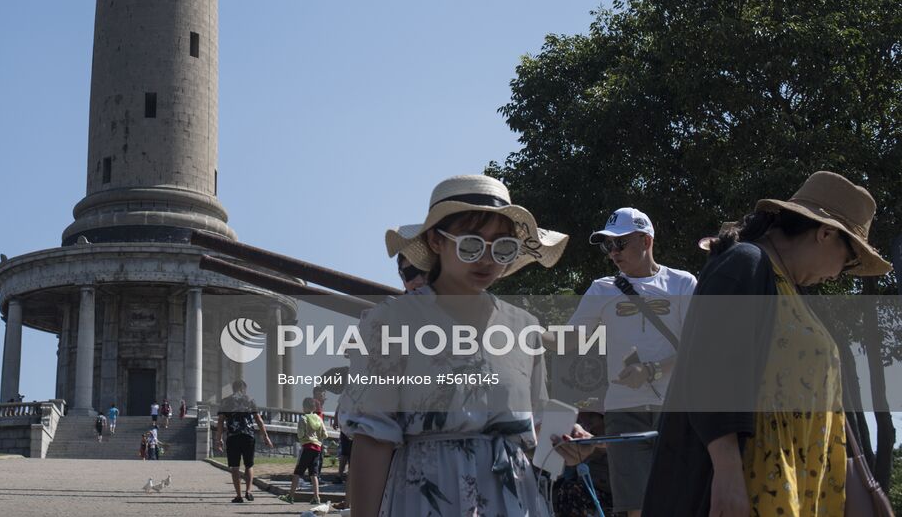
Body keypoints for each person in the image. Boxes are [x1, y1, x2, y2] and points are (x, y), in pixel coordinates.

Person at [642, 171, 892, 517]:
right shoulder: (746, 262)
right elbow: (709, 364)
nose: (838, 274)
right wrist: (727, 471)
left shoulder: (791, 291)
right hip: (748, 489)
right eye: (848, 260)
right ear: (826, 233)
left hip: (793, 493)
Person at [348, 174, 590, 517]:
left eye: (502, 246)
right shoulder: (390, 321)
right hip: (428, 498)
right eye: (471, 244)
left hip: (515, 499)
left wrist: (565, 439)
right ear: (436, 241)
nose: (487, 259)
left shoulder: (525, 327)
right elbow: (373, 438)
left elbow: (532, 424)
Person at [565, 208, 696, 517]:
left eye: (619, 244)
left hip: (677, 408)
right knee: (636, 509)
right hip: (623, 411)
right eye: (607, 246)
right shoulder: (602, 289)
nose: (612, 253)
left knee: (682, 503)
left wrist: (652, 370)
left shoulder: (682, 283)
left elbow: (697, 348)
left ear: (646, 240)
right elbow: (569, 338)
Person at [215, 378, 274, 504]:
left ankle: (238, 495)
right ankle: (249, 491)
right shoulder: (250, 400)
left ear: (233, 388)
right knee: (249, 465)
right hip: (248, 436)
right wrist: (266, 436)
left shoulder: (225, 401)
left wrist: (219, 439)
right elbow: (258, 419)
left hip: (233, 437)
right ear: (244, 388)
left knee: (235, 467)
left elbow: (220, 421)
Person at [281, 397, 327, 506]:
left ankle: (291, 496)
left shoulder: (304, 419)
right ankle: (316, 497)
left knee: (297, 473)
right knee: (313, 474)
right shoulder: (318, 419)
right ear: (314, 408)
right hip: (317, 448)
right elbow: (325, 434)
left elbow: (300, 434)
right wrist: (318, 438)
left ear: (304, 407)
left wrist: (303, 437)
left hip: (307, 447)